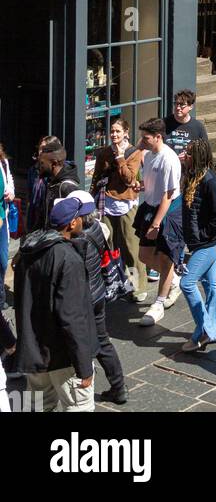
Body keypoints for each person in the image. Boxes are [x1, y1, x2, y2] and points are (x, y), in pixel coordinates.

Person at [13, 192, 99, 412]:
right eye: (82, 217)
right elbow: (72, 317)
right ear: (72, 223)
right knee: (79, 407)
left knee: (38, 407)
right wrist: (83, 366)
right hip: (62, 357)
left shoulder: (27, 252)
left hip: (34, 351)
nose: (85, 221)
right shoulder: (67, 259)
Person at [69, 192, 127, 405]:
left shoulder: (78, 239)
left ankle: (80, 387)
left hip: (84, 298)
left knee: (80, 342)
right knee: (103, 341)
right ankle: (119, 386)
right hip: (98, 293)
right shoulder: (97, 228)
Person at [178, 138, 216, 352]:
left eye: (188, 153)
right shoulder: (192, 177)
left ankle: (206, 329)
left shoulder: (209, 180)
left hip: (211, 241)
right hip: (202, 241)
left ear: (197, 157)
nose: (184, 155)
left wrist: (200, 237)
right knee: (210, 285)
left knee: (187, 283)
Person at [90, 118, 147, 303]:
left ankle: (137, 288)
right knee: (109, 247)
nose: (114, 135)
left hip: (126, 205)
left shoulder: (134, 153)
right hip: (106, 204)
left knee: (131, 248)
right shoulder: (104, 153)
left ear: (126, 133)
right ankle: (116, 283)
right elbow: (97, 177)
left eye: (118, 131)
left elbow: (129, 179)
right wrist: (92, 199)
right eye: (112, 131)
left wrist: (120, 157)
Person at [134, 117, 184, 326]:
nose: (142, 141)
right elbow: (153, 184)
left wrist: (156, 224)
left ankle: (159, 304)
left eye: (146, 138)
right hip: (151, 206)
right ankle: (173, 278)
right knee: (144, 255)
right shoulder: (149, 154)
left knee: (165, 259)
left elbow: (168, 195)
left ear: (158, 137)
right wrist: (142, 187)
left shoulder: (169, 159)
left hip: (169, 211)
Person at [37, 142, 81, 229]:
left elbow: (75, 225)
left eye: (42, 163)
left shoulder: (67, 188)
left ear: (54, 163)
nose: (39, 167)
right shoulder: (51, 182)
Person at [164, 90, 209, 160]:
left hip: (188, 168)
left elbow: (205, 151)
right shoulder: (163, 123)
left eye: (182, 105)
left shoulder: (198, 127)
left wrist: (189, 155)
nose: (178, 108)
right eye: (176, 104)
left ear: (190, 107)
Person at [0, 141, 13, 313]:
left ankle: (0, 298)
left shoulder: (3, 162)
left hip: (2, 219)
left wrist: (10, 191)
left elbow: (9, 181)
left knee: (3, 262)